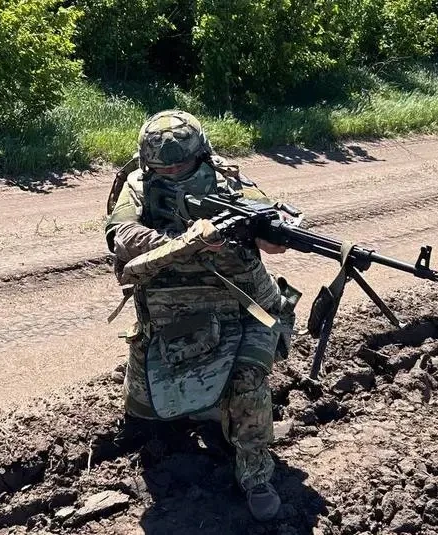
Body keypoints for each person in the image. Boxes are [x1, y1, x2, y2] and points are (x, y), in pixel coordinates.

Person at [104, 110, 299, 521]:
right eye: (163, 167)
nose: (173, 172)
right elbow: (122, 238)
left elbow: (265, 215)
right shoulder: (138, 188)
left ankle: (255, 473)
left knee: (248, 381)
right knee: (144, 409)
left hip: (246, 308)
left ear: (202, 155)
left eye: (182, 164)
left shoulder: (227, 181)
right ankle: (205, 407)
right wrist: (189, 241)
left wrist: (272, 230)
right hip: (176, 313)